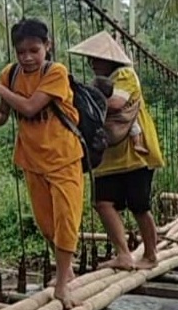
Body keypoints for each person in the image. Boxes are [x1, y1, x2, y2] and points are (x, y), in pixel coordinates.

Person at [0, 18, 85, 310]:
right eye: (21, 51)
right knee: (46, 223)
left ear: (47, 47)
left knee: (66, 220)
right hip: (32, 159)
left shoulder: (57, 73)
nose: (27, 57)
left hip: (64, 158)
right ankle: (67, 270)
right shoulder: (10, 75)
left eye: (34, 50)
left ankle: (62, 284)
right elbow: (5, 116)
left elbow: (28, 106)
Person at [69, 31, 164, 271]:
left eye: (96, 58)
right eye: (90, 59)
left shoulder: (125, 75)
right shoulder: (98, 84)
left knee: (139, 205)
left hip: (135, 154)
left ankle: (151, 255)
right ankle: (124, 254)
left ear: (109, 59)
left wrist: (81, 96)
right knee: (102, 202)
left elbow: (116, 103)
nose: (91, 63)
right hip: (108, 156)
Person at [93, 75, 148, 154]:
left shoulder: (101, 102)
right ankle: (137, 143)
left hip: (109, 124)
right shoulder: (113, 98)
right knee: (133, 123)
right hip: (121, 121)